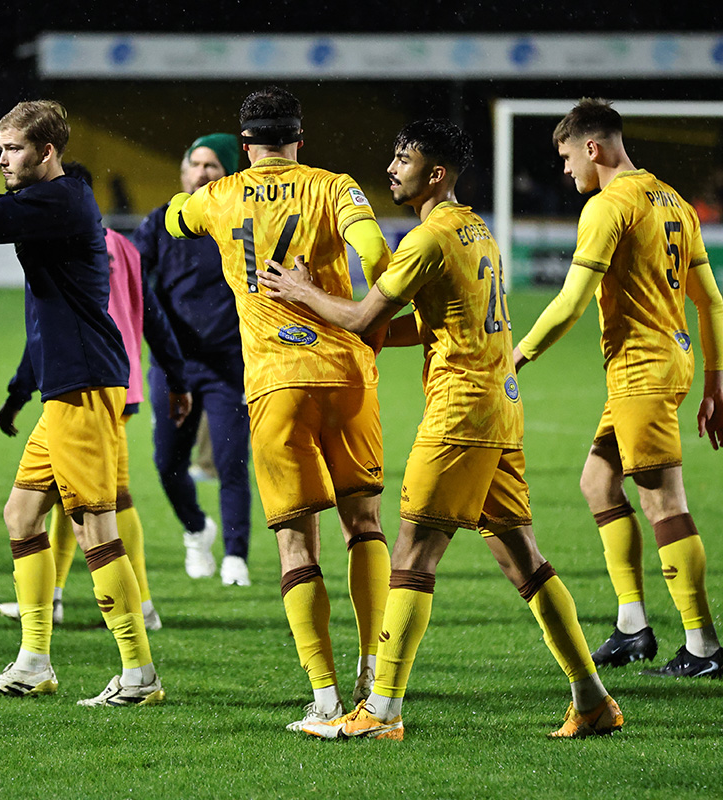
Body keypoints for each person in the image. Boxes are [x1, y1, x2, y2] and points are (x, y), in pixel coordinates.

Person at [258, 119, 622, 740]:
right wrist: (372, 334)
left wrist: (300, 291)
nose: (394, 167)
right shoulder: (478, 230)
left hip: (460, 411)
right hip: (501, 404)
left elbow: (363, 311)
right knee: (523, 560)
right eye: (394, 155)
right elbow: (431, 324)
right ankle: (592, 700)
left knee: (412, 556)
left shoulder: (427, 239)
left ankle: (380, 712)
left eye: (406, 159)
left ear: (437, 174)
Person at [0, 95, 165, 706]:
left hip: (82, 384)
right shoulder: (51, 199)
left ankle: (139, 673)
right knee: (22, 516)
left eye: (13, 148)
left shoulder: (59, 199)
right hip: (67, 385)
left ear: (46, 152)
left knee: (95, 526)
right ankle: (33, 662)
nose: (1, 158)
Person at [165, 86, 393, 729]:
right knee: (365, 526)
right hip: (345, 373)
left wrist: (196, 198)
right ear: (300, 139)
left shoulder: (217, 196)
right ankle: (372, 677)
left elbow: (177, 214)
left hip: (274, 383)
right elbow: (376, 255)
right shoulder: (333, 186)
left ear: (243, 146)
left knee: (298, 545)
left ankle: (322, 698)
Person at [514, 98, 723, 677]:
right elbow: (711, 302)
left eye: (565, 158)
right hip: (669, 361)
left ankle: (703, 646)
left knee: (663, 502)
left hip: (641, 368)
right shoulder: (674, 200)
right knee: (598, 482)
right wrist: (715, 382)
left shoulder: (609, 206)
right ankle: (633, 626)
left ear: (592, 148)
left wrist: (517, 355)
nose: (564, 171)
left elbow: (572, 302)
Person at [0, 161, 190, 632]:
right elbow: (152, 315)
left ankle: (115, 619)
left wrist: (20, 389)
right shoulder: (123, 246)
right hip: (122, 386)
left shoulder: (58, 245)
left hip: (83, 384)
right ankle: (121, 604)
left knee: (93, 508)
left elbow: (44, 331)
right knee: (98, 501)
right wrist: (177, 376)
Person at [131, 136, 254, 585]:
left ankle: (236, 556)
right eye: (195, 164)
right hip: (172, 365)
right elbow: (131, 274)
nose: (202, 172)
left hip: (228, 367)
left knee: (231, 463)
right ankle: (198, 529)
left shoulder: (242, 220)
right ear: (184, 172)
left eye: (212, 165)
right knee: (167, 463)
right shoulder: (161, 221)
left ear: (229, 173)